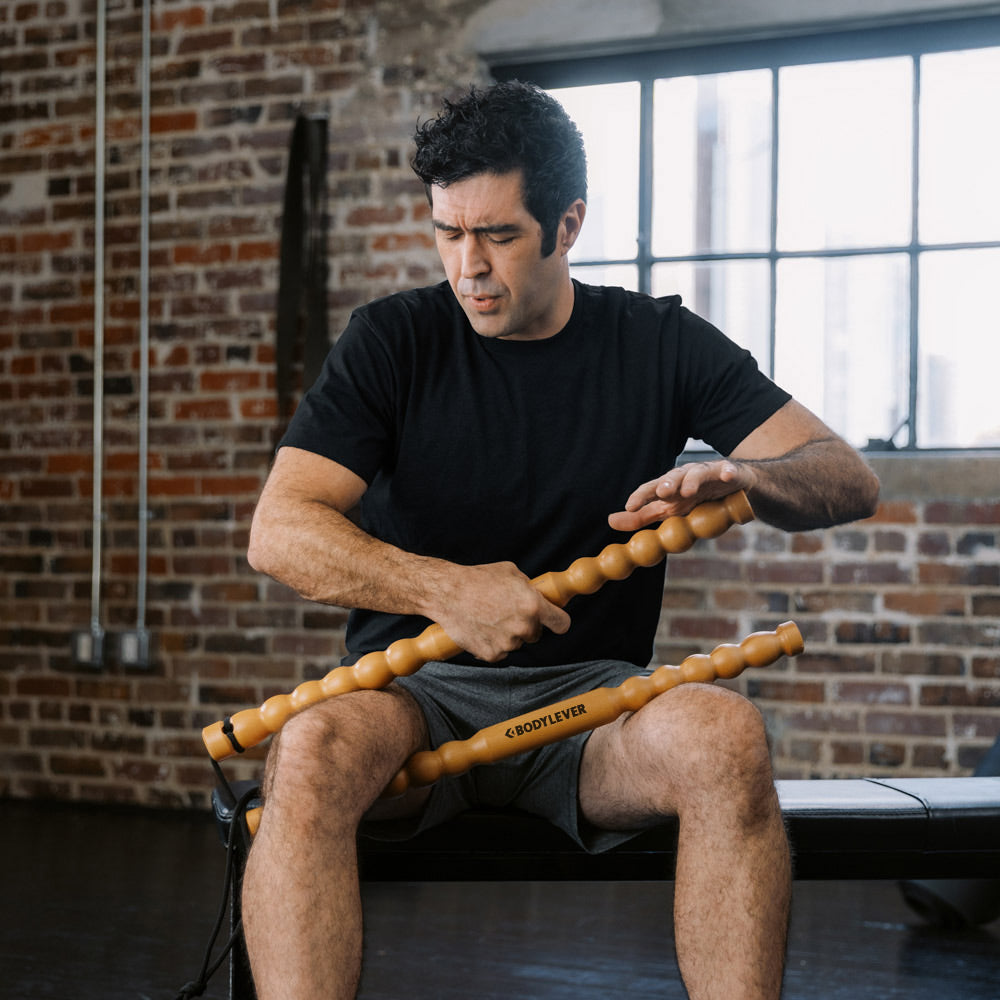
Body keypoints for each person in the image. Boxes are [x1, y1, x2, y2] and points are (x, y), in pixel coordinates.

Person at [241, 81, 880, 999]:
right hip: (415, 696)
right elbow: (280, 531)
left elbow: (845, 476)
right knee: (307, 753)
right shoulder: (392, 340)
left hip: (595, 709)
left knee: (725, 736)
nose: (469, 267)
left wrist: (750, 477)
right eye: (448, 233)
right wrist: (444, 590)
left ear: (568, 224)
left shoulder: (659, 341)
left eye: (498, 236)